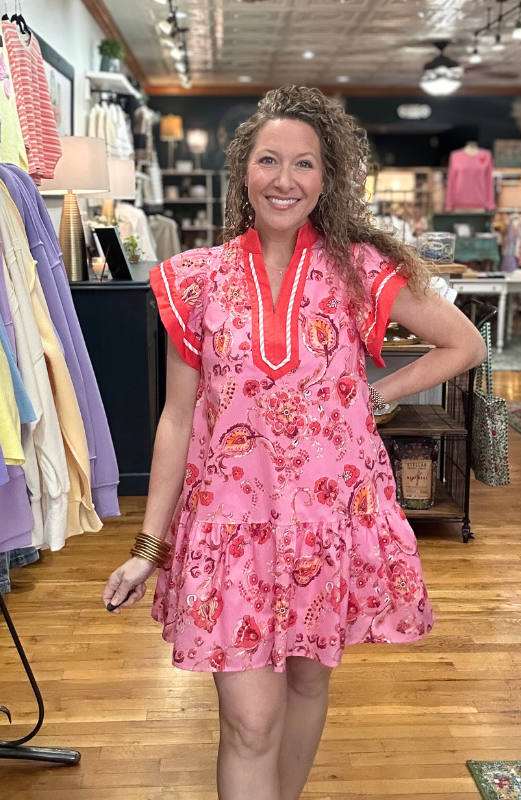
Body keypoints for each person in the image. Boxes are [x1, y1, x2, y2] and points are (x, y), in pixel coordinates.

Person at [103, 86, 486, 800]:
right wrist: (148, 547)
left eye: (304, 164)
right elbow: (177, 421)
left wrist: (376, 395)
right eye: (270, 160)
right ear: (244, 172)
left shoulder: (359, 271)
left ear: (326, 178)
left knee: (309, 684)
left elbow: (464, 343)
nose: (286, 178)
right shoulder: (197, 280)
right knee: (250, 720)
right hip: (232, 530)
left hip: (327, 524)